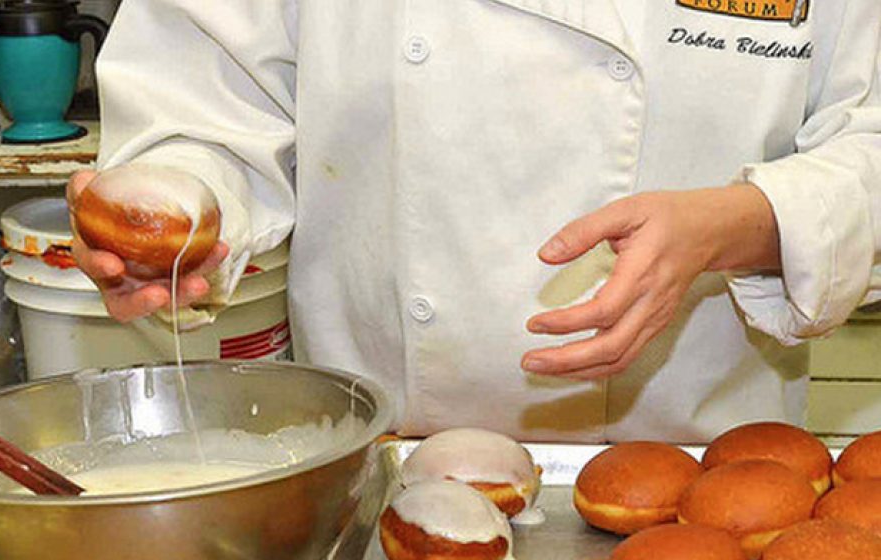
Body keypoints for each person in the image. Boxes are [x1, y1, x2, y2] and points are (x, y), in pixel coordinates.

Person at [69, 1, 881, 443]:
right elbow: (205, 96)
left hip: (712, 472)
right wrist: (177, 204)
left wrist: (743, 221)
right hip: (381, 465)